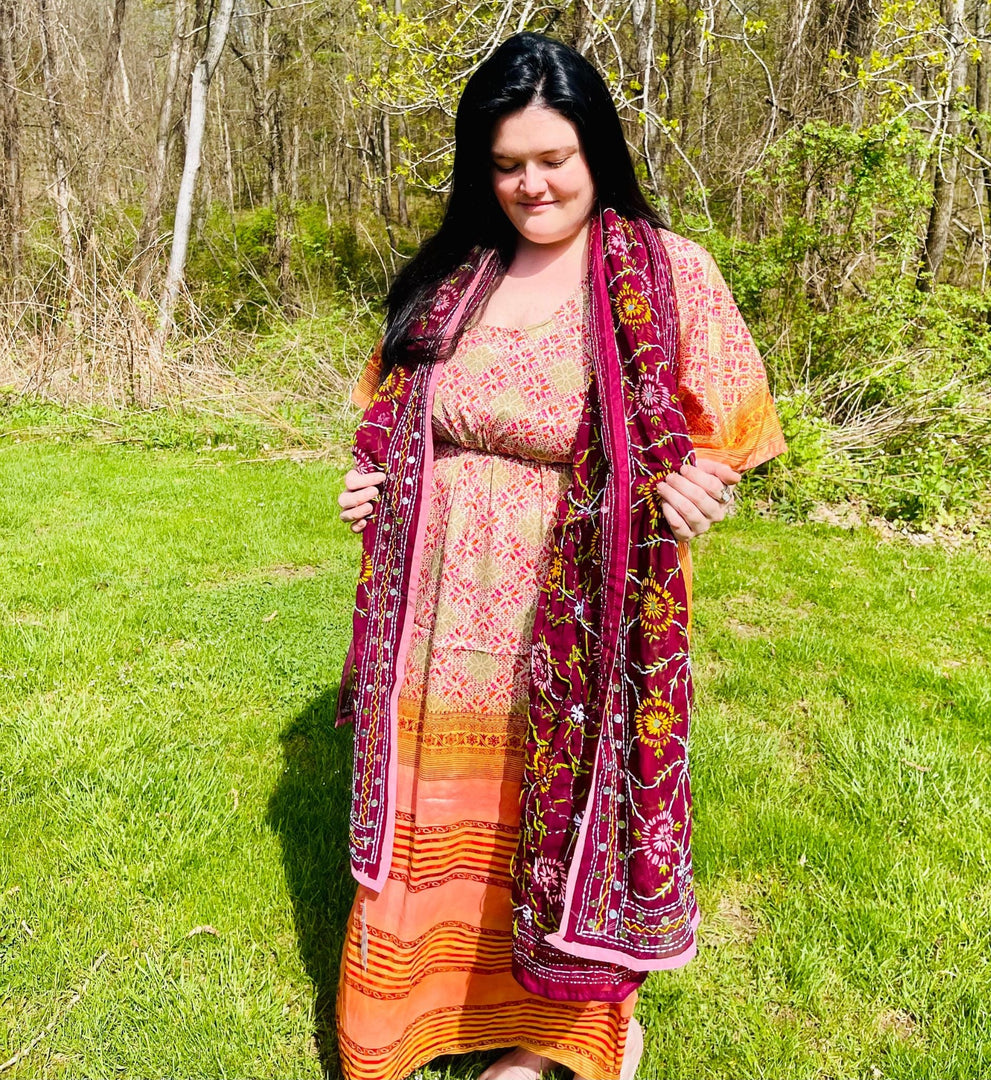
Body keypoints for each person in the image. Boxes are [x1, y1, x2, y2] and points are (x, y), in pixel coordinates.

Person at [334, 32, 786, 1080]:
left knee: (555, 816)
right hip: (436, 618)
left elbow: (728, 428)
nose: (530, 185)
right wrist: (371, 482)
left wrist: (694, 483)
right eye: (505, 164)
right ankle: (412, 1022)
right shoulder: (459, 275)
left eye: (552, 158)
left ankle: (552, 1044)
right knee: (439, 817)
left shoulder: (666, 276)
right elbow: (391, 416)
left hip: (569, 618)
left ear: (598, 150)